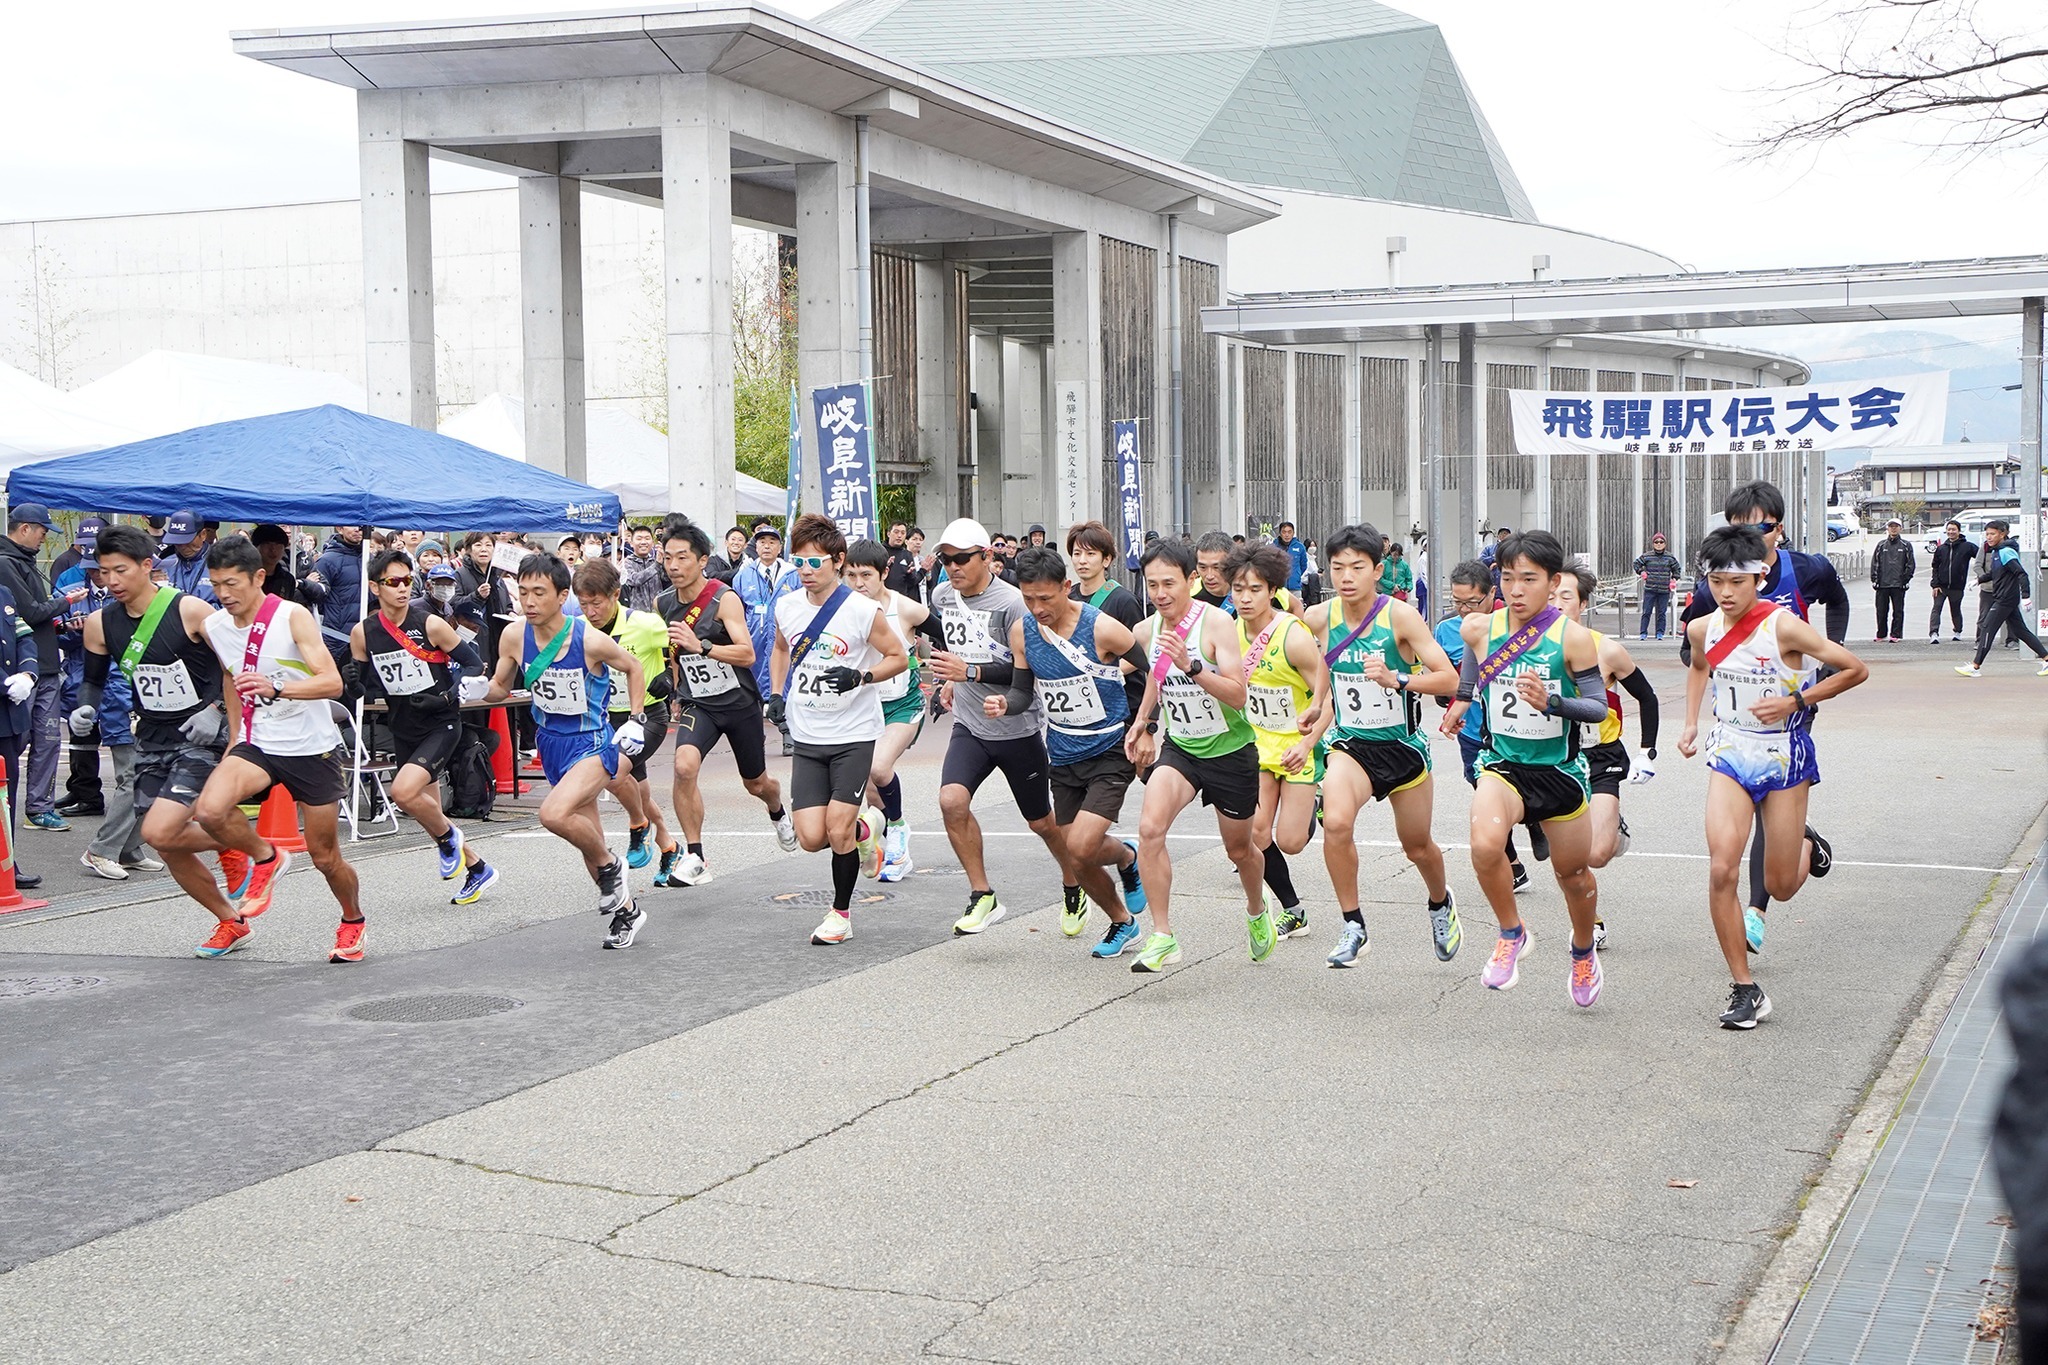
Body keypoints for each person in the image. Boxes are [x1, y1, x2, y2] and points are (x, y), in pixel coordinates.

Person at [1678, 524, 1867, 1028]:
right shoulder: (1702, 627)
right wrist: (1693, 721)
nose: (1725, 592)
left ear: (1760, 577)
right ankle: (1744, 988)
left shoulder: (1785, 627)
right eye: (1716, 581)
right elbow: (1699, 667)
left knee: (1780, 886)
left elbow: (1854, 669)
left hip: (1785, 757)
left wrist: (1796, 699)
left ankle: (1805, 845)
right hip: (1731, 755)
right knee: (1723, 868)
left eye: (1735, 582)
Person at [1446, 530, 1613, 1008]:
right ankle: (1511, 931)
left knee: (1574, 874)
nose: (1516, 589)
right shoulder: (1479, 628)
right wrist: (1462, 701)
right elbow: (1476, 667)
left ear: (1553, 581)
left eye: (1530, 579)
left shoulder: (1573, 638)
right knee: (1483, 845)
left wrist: (1552, 702)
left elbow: (1598, 709)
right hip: (1504, 765)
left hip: (1559, 773)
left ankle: (1582, 950)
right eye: (1508, 577)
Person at [188, 535, 364, 961]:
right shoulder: (215, 625)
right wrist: (235, 736)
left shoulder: (292, 616)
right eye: (215, 584)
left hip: (311, 747)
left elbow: (332, 683)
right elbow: (232, 676)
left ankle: (352, 921)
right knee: (209, 810)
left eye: (233, 583)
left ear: (259, 577)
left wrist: (278, 686)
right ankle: (266, 858)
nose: (224, 594)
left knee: (325, 857)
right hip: (260, 742)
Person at [1306, 526, 1461, 967]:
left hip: (1402, 748)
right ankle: (1352, 924)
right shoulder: (1322, 617)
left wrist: (1398, 679)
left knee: (1417, 846)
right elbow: (1321, 661)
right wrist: (1316, 705)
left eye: (1357, 567)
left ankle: (1439, 903)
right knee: (1335, 823)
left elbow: (1449, 678)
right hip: (1350, 745)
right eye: (1337, 568)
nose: (1346, 576)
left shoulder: (1400, 618)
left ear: (1378, 569)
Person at [73, 524, 241, 929]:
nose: (110, 581)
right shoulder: (100, 623)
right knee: (164, 841)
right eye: (103, 571)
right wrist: (85, 709)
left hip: (200, 735)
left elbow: (235, 667)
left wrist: (217, 712)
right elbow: (93, 680)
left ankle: (249, 849)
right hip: (150, 736)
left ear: (147, 566)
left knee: (164, 828)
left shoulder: (191, 610)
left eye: (120, 570)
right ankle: (229, 919)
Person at [482, 552, 652, 948]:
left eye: (539, 593)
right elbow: (499, 689)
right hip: (550, 743)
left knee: (553, 813)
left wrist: (637, 719)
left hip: (591, 742)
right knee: (586, 837)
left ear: (562, 597)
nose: (529, 602)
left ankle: (613, 866)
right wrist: (474, 690)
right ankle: (627, 912)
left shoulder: (589, 638)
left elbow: (634, 667)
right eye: (522, 592)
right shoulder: (513, 636)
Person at [985, 546, 1147, 948]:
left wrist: (1146, 725)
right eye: (1028, 598)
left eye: (1045, 598)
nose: (1037, 607)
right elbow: (1023, 692)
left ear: (1066, 587)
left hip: (1109, 748)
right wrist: (1007, 703)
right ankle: (1122, 918)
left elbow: (1150, 671)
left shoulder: (1103, 627)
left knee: (1080, 844)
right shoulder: (1023, 631)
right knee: (1077, 856)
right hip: (1063, 753)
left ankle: (1126, 859)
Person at [1119, 538, 1268, 972]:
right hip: (1182, 748)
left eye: (1169, 583)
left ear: (1192, 579)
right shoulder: (1149, 629)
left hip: (1231, 753)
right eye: (1151, 585)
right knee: (1149, 829)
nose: (1160, 593)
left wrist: (1194, 666)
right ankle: (1162, 936)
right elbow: (1154, 676)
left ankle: (1257, 911)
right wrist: (1143, 722)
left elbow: (1239, 696)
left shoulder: (1219, 624)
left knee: (1240, 851)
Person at [922, 518, 1076, 936]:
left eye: (962, 559)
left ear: (987, 557)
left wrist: (968, 672)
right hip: (970, 726)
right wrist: (947, 682)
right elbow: (950, 648)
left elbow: (1024, 671)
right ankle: (982, 894)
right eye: (945, 559)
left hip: (1017, 728)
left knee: (1042, 822)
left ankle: (1073, 880)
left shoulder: (1012, 603)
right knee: (951, 801)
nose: (952, 567)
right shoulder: (942, 595)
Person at [766, 513, 909, 946]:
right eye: (800, 563)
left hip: (853, 734)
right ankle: (870, 831)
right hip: (808, 735)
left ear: (837, 560)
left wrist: (862, 677)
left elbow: (898, 657)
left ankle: (840, 915)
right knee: (812, 837)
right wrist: (775, 693)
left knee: (837, 829)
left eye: (816, 563)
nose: (806, 572)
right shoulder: (786, 605)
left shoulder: (863, 610)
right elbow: (779, 648)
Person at [349, 547, 498, 907]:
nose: (401, 588)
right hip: (404, 725)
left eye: (406, 580)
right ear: (375, 587)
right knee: (428, 813)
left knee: (402, 793)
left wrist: (447, 698)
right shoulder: (363, 632)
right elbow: (363, 687)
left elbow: (474, 664)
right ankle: (477, 869)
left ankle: (451, 841)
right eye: (392, 582)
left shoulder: (429, 623)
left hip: (441, 723)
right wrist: (351, 680)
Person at [656, 516, 795, 884]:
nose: (673, 565)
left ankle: (778, 809)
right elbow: (673, 649)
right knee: (684, 766)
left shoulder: (724, 597)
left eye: (682, 557)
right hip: (698, 703)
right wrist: (671, 683)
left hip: (737, 703)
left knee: (757, 783)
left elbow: (747, 654)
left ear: (703, 560)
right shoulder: (664, 601)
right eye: (668, 557)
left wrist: (702, 646)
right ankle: (695, 855)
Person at [1552, 566, 1662, 948]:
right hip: (1554, 757)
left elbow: (1646, 697)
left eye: (1567, 596)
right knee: (1566, 858)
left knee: (1597, 854)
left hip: (1600, 757)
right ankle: (1589, 923)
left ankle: (1614, 825)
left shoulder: (1607, 650)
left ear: (1583, 603)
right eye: (1552, 595)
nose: (1557, 603)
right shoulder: (1530, 648)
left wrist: (1648, 751)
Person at [1227, 543, 1329, 947]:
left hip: (1296, 747)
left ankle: (1310, 806)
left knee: (1290, 841)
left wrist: (1308, 745)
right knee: (1255, 834)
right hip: (1256, 748)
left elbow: (1329, 698)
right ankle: (1293, 909)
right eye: (1238, 589)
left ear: (1272, 590)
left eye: (1254, 589)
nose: (1245, 598)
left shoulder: (1294, 637)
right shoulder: (1228, 632)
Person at [1435, 558, 1533, 895]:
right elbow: (1445, 676)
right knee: (1486, 799)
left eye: (1471, 602)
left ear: (1492, 593)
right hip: (1474, 730)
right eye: (1456, 602)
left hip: (1516, 732)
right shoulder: (1446, 630)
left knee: (1522, 799)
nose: (1463, 610)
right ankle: (1514, 863)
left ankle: (1533, 822)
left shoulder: (1519, 622)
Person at [572, 558, 675, 873]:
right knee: (636, 789)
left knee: (614, 775)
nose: (590, 611)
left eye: (597, 603)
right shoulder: (581, 628)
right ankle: (668, 845)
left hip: (646, 717)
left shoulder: (644, 624)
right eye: (584, 604)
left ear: (615, 594)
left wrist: (670, 675)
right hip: (606, 720)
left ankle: (637, 826)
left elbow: (683, 641)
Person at [843, 539, 928, 880]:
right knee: (870, 786)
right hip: (862, 708)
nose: (858, 583)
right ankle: (889, 850)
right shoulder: (841, 609)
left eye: (866, 575)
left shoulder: (904, 608)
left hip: (903, 705)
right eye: (850, 575)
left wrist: (952, 675)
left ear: (884, 573)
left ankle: (899, 827)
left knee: (879, 768)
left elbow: (942, 635)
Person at [0, 503, 86, 834]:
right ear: (24, 528)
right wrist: (66, 603)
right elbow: (28, 615)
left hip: (46, 662)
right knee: (17, 741)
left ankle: (39, 808)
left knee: (48, 739)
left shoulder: (23, 562)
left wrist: (63, 626)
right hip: (25, 670)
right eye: (41, 531)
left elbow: (34, 619)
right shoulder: (7, 564)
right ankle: (18, 809)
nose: (42, 538)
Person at [55, 545, 114, 820]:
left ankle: (130, 799)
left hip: (116, 673)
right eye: (91, 569)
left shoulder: (124, 589)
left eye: (100, 569)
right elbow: (54, 631)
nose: (96, 575)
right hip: (80, 670)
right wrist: (74, 632)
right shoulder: (72, 587)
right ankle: (84, 792)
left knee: (119, 735)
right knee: (81, 734)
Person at [735, 523, 801, 756]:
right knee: (752, 692)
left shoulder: (792, 575)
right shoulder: (744, 575)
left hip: (784, 642)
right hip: (754, 640)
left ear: (779, 546)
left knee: (784, 685)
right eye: (762, 542)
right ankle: (754, 741)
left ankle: (789, 734)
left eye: (772, 542)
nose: (766, 546)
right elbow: (737, 610)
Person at [1956, 519, 2048, 676]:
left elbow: (2021, 574)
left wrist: (2026, 596)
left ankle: (1975, 666)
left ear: (2003, 534)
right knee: (2021, 631)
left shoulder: (2006, 552)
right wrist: (1978, 580)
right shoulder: (1997, 551)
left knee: (1987, 628)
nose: (1989, 537)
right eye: (1987, 534)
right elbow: (1994, 573)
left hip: (2005, 599)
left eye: (1992, 534)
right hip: (2004, 598)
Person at [0, 574, 40, 886]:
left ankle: (6, 864)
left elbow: (24, 635)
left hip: (8, 716)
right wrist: (4, 683)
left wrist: (27, 672)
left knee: (6, 794)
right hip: (4, 694)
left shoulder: (4, 594)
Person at [299, 523, 367, 675]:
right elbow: (317, 597)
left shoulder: (370, 558)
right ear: (339, 528)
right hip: (336, 636)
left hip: (364, 633)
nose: (357, 529)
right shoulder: (327, 561)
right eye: (351, 525)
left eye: (361, 526)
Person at [1928, 519, 1977, 644]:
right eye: (1949, 529)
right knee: (1936, 608)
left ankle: (1957, 631)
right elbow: (1935, 567)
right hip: (1941, 586)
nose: (1951, 532)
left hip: (1957, 586)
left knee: (1955, 609)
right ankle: (1934, 633)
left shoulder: (1967, 546)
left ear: (1959, 531)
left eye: (1953, 529)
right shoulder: (1941, 549)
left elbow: (1981, 556)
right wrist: (1935, 584)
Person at [157, 510, 219, 606]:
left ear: (203, 535)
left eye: (187, 540)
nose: (182, 546)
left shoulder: (221, 564)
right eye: (177, 541)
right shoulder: (165, 565)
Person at [1869, 516, 1916, 642]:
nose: (1893, 529)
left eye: (1896, 526)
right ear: (1887, 529)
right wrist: (1874, 579)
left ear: (1900, 528)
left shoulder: (1906, 545)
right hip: (1882, 584)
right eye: (1891, 526)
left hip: (1898, 584)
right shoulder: (1881, 545)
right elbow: (1875, 563)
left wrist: (1906, 580)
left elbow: (1910, 564)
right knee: (1881, 611)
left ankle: (1895, 634)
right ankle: (1881, 634)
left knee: (1898, 611)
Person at [1632, 532, 1681, 640]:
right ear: (1653, 544)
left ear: (1665, 543)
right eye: (1656, 542)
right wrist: (1641, 572)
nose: (1659, 544)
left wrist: (1674, 579)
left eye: (1661, 542)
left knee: (1661, 613)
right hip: (1650, 589)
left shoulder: (1670, 557)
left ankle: (1660, 633)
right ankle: (1643, 633)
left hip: (1664, 590)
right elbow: (1636, 564)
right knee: (1646, 612)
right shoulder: (1647, 556)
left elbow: (1677, 569)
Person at [250, 524, 299, 604]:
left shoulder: (287, 579)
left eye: (278, 545)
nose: (273, 549)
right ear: (256, 547)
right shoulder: (246, 576)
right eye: (267, 544)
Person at [1193, 531, 1236, 609]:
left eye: (1217, 568)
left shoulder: (1247, 595)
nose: (1209, 576)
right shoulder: (1187, 595)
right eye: (1203, 567)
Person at [882, 521, 921, 600]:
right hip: (883, 598)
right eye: (896, 532)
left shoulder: (907, 555)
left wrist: (911, 574)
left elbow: (912, 583)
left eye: (903, 533)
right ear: (888, 533)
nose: (899, 536)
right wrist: (884, 566)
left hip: (901, 600)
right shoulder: (880, 551)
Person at [1274, 520, 1308, 592]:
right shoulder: (1273, 547)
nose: (1287, 535)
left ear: (1293, 533)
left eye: (1289, 532)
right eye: (1284, 532)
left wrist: (1296, 576)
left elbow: (1303, 565)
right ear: (1280, 533)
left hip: (1295, 588)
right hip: (1278, 588)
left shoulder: (1300, 547)